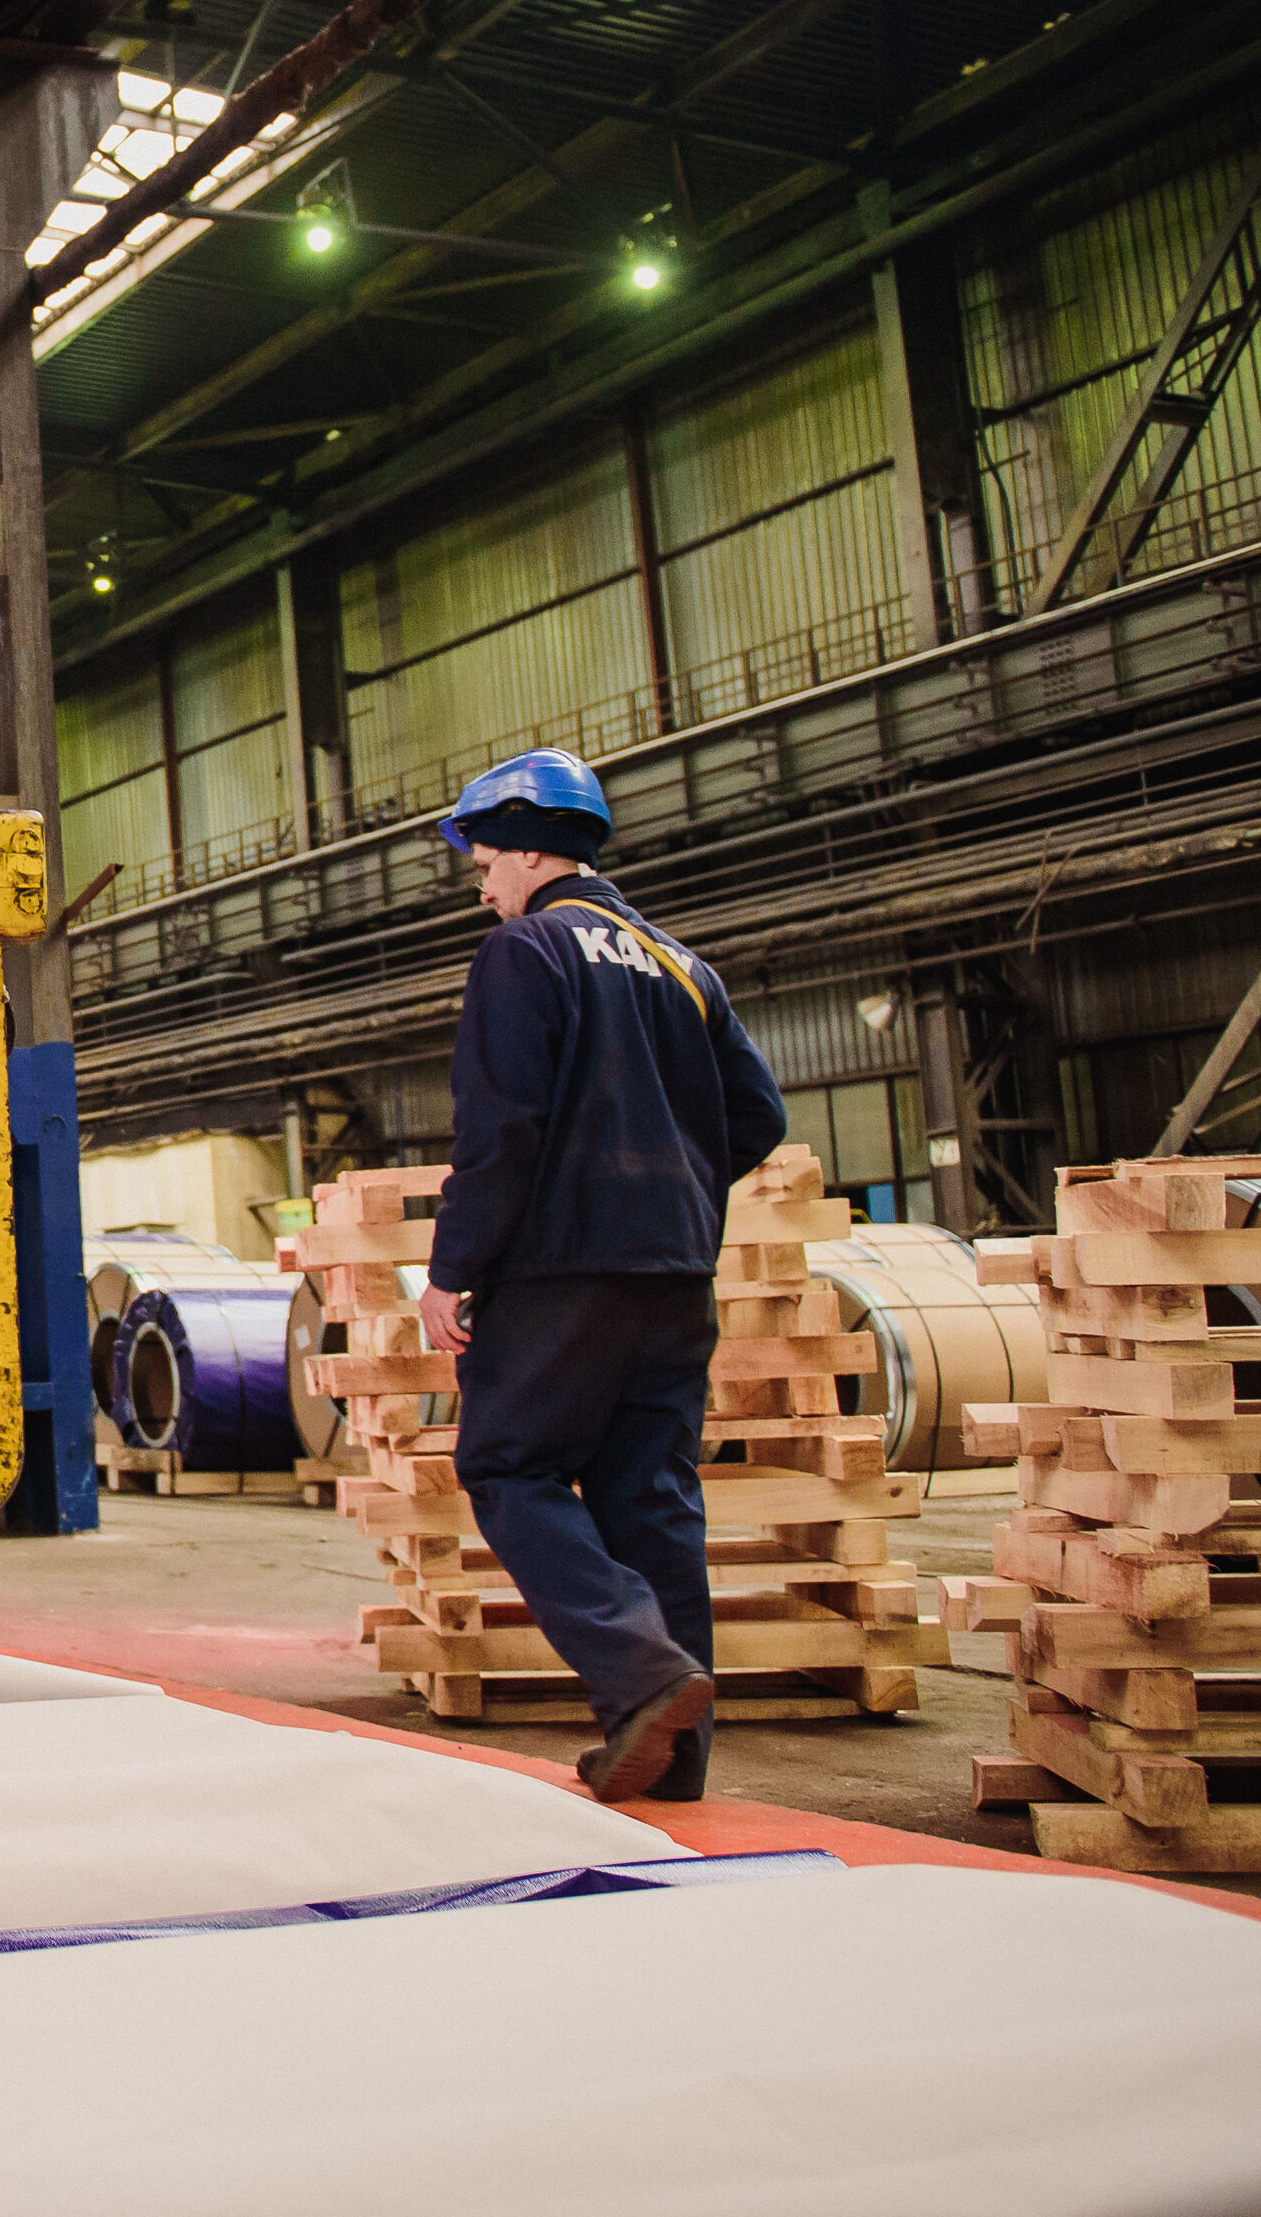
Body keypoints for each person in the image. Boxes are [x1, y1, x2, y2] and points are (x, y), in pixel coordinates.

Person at [415, 746, 786, 1805]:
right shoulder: (683, 966)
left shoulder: (525, 952)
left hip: (559, 1271)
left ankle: (639, 1672)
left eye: (485, 863)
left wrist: (451, 1270)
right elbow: (758, 1116)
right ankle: (677, 1756)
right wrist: (669, 1187)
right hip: (675, 1273)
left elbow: (501, 1130)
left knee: (510, 1467)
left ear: (531, 852)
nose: (483, 886)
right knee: (650, 1499)